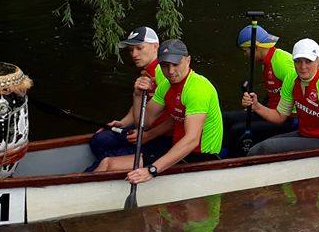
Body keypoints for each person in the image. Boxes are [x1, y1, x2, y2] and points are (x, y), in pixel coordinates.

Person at [96, 39, 224, 182]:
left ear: (188, 60)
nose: (170, 71)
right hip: (178, 150)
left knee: (109, 164)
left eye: (176, 64)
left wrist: (152, 170)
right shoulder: (166, 86)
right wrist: (137, 95)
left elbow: (192, 140)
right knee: (106, 162)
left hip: (201, 157)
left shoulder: (198, 89)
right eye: (164, 65)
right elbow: (144, 123)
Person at [244, 39, 319, 168]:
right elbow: (279, 117)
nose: (303, 67)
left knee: (264, 148)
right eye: (298, 61)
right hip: (306, 134)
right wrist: (256, 106)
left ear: (318, 61)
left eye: (308, 61)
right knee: (259, 147)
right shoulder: (291, 78)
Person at [87, 26, 174, 171]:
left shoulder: (163, 72)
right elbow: (140, 105)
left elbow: (175, 116)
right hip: (144, 128)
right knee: (99, 140)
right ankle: (113, 166)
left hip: (160, 136)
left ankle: (109, 166)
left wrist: (147, 135)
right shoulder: (145, 72)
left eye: (139, 48)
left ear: (155, 47)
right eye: (131, 50)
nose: (134, 54)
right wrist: (123, 122)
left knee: (105, 155)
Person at [223, 23, 295, 154]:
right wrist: (255, 105)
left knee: (237, 130)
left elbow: (300, 91)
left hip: (287, 119)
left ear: (255, 47)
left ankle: (230, 161)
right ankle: (215, 153)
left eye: (245, 51)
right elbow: (273, 93)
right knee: (226, 118)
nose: (245, 55)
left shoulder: (281, 63)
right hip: (270, 111)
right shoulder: (266, 62)